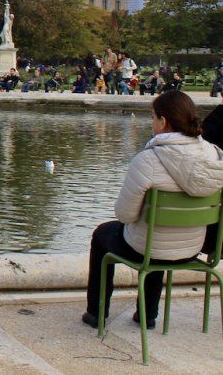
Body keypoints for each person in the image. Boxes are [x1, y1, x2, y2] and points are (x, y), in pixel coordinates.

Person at [82, 91, 223, 330]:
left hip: (150, 248)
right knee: (158, 232)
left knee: (104, 235)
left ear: (163, 121)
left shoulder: (148, 160)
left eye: (153, 117)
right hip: (192, 247)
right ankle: (147, 315)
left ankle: (96, 313)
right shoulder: (215, 155)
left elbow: (125, 215)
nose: (152, 122)